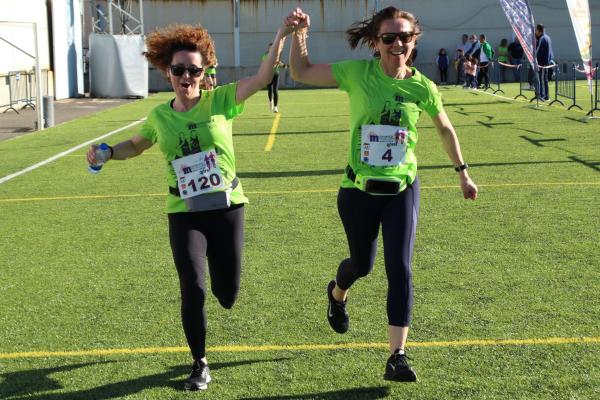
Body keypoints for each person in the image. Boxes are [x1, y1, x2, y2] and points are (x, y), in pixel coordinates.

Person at [86, 23, 290, 391]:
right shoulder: (159, 117)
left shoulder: (220, 101)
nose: (185, 77)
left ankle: (221, 294)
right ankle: (199, 362)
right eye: (178, 70)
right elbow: (137, 144)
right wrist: (110, 152)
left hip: (226, 207)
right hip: (184, 211)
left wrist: (282, 34)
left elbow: (262, 77)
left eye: (193, 70)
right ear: (167, 72)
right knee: (192, 285)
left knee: (226, 294)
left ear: (204, 72)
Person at [285, 6, 478, 382]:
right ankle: (337, 294)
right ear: (375, 43)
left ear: (413, 41)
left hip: (402, 188)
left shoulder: (422, 86)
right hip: (358, 190)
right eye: (389, 37)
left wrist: (463, 173)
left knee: (400, 269)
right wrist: (299, 34)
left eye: (404, 37)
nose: (397, 43)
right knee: (362, 265)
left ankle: (397, 355)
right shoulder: (358, 74)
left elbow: (444, 129)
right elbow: (301, 71)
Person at [262, 43, 288, 112]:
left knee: (275, 90)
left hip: (275, 74)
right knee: (270, 90)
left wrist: (284, 66)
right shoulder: (265, 56)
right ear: (268, 48)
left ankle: (276, 107)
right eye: (269, 47)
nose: (271, 49)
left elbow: (279, 62)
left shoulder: (276, 55)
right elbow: (265, 64)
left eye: (272, 48)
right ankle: (270, 101)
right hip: (268, 75)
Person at [535, 24, 553, 100]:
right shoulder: (547, 37)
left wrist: (534, 59)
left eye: (536, 30)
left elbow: (537, 51)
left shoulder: (542, 38)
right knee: (545, 79)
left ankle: (541, 95)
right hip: (547, 61)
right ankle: (546, 96)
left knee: (540, 79)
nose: (535, 32)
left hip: (542, 62)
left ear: (539, 31)